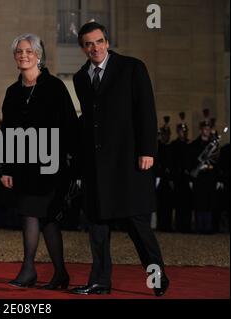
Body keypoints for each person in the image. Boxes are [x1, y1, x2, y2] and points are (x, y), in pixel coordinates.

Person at [71, 21, 169, 296]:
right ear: (83, 48)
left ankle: (158, 279)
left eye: (99, 41)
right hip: (96, 167)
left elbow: (146, 111)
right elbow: (90, 121)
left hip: (128, 163)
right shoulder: (80, 77)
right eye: (88, 44)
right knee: (98, 228)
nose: (95, 47)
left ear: (107, 42)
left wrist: (148, 150)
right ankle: (100, 281)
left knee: (138, 227)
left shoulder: (132, 68)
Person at [0, 34, 79, 289]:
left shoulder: (54, 87)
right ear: (15, 57)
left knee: (45, 218)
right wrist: (6, 168)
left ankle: (38, 271)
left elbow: (70, 126)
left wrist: (70, 165)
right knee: (30, 214)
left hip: (50, 164)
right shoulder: (12, 93)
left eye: (29, 51)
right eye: (19, 51)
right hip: (23, 166)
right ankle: (47, 272)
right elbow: (7, 134)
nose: (24, 55)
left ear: (38, 55)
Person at [187, 119, 219, 234]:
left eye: (209, 129)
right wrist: (196, 171)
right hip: (199, 178)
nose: (207, 131)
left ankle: (208, 228)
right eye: (205, 129)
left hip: (210, 178)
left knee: (209, 202)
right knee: (199, 202)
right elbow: (190, 162)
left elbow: (217, 162)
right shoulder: (194, 145)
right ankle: (199, 227)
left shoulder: (213, 145)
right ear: (201, 130)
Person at [171, 112, 193, 233]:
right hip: (178, 178)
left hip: (187, 177)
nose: (183, 133)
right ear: (178, 131)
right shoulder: (174, 145)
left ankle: (187, 226)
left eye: (185, 131)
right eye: (181, 131)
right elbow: (173, 162)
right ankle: (179, 226)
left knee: (187, 204)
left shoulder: (189, 145)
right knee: (179, 204)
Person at [155, 116, 174, 232]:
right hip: (161, 178)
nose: (165, 136)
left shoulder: (171, 147)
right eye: (163, 134)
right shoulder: (158, 147)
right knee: (160, 204)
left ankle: (167, 225)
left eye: (167, 134)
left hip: (169, 179)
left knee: (168, 204)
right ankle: (161, 225)